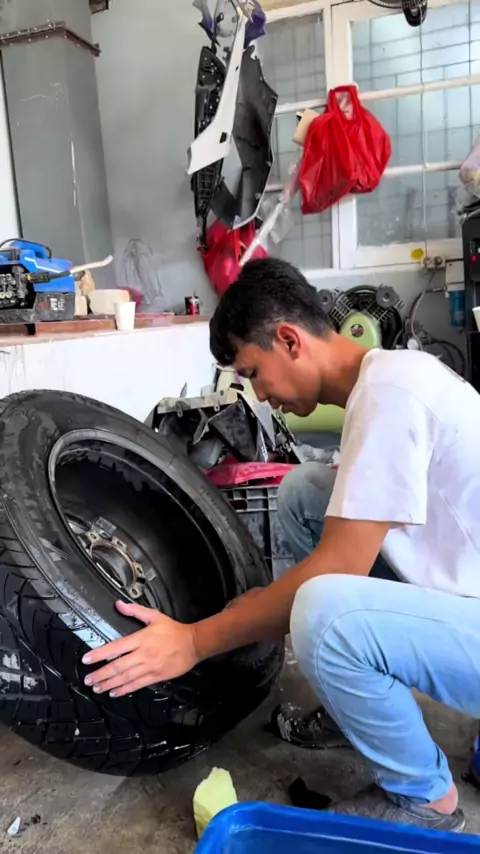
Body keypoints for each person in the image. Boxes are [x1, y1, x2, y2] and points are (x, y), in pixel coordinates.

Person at [82, 257, 480, 833]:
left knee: (322, 615)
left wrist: (195, 639)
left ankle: (425, 799)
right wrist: (256, 610)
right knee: (306, 492)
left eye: (253, 372)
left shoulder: (391, 394)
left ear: (290, 340)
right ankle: (359, 704)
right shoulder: (390, 376)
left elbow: (336, 569)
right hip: (465, 590)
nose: (260, 396)